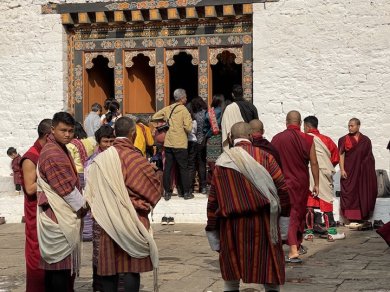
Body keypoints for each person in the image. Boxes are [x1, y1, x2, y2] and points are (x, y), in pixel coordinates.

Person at [206, 122, 290, 292]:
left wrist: (213, 231)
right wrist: (283, 224)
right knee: (269, 270)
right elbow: (282, 190)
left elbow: (213, 201)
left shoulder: (222, 163)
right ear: (251, 136)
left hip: (232, 227)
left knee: (232, 276)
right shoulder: (265, 157)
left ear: (230, 138)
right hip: (264, 224)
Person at [84, 117, 163, 292]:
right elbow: (154, 189)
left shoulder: (99, 160)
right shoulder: (135, 159)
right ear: (133, 133)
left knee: (109, 270)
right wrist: (157, 174)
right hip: (132, 219)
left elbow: (91, 191)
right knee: (131, 269)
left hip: (107, 220)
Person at [37, 112, 87, 292]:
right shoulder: (53, 153)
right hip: (58, 215)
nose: (67, 134)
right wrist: (82, 207)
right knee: (60, 270)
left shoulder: (60, 147)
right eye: (63, 130)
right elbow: (65, 188)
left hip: (59, 213)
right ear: (53, 129)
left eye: (70, 131)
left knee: (58, 271)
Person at [271, 110, 319, 263]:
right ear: (299, 123)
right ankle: (294, 247)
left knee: (288, 213)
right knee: (297, 213)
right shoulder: (307, 139)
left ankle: (293, 246)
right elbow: (314, 162)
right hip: (301, 182)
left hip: (282, 182)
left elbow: (271, 162)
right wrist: (316, 183)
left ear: (286, 122)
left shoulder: (277, 138)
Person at [20, 118, 52, 292]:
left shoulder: (49, 152)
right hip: (37, 215)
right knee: (37, 255)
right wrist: (54, 179)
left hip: (50, 214)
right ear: (48, 136)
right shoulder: (31, 157)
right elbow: (31, 188)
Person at [83, 125, 115, 292]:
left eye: (111, 141)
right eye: (105, 141)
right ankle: (100, 286)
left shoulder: (117, 158)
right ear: (98, 142)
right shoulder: (92, 161)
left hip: (115, 212)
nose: (109, 145)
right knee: (99, 251)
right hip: (98, 211)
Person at [303, 116, 345, 241]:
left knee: (309, 203)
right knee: (326, 200)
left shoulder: (304, 139)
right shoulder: (326, 140)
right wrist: (326, 165)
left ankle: (309, 233)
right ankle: (331, 232)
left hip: (310, 173)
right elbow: (336, 157)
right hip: (324, 174)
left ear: (307, 127)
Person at [152, 88, 193, 200]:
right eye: (185, 97)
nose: (186, 98)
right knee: (183, 168)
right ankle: (186, 193)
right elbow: (189, 128)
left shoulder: (168, 108)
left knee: (168, 168)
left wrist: (166, 120)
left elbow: (154, 116)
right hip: (180, 142)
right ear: (182, 98)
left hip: (169, 142)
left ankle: (167, 192)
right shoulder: (184, 111)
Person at [338, 118, 377, 230]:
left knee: (362, 192)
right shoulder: (344, 139)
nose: (350, 128)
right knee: (349, 193)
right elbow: (341, 154)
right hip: (349, 171)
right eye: (349, 126)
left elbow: (369, 157)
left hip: (362, 172)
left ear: (358, 126)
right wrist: (342, 169)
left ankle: (361, 217)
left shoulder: (366, 140)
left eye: (352, 126)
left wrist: (366, 169)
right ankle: (350, 218)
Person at [221, 85, 258, 150]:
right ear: (242, 94)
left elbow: (225, 127)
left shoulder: (229, 108)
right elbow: (256, 124)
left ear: (232, 94)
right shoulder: (252, 107)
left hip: (234, 144)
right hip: (249, 143)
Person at [204, 94, 225, 183]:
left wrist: (207, 134)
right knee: (219, 161)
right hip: (219, 137)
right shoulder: (222, 111)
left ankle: (211, 182)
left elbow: (205, 126)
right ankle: (219, 181)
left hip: (210, 138)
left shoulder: (209, 113)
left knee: (211, 162)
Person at [191, 96, 208, 193]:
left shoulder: (194, 115)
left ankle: (192, 186)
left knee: (193, 164)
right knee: (202, 164)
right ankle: (204, 187)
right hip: (205, 141)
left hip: (196, 141)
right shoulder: (206, 113)